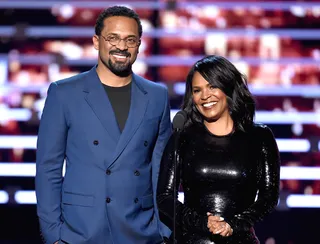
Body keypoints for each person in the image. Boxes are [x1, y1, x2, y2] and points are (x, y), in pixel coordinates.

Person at [35, 6, 171, 244]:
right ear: (97, 41)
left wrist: (164, 230)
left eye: (130, 40)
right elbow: (48, 169)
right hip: (81, 231)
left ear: (139, 45)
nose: (121, 46)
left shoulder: (157, 95)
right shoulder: (64, 93)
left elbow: (161, 169)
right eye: (113, 38)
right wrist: (53, 235)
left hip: (142, 232)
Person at [157, 55, 280, 244]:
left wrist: (234, 225)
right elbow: (165, 197)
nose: (205, 96)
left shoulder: (260, 137)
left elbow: (268, 197)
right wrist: (203, 223)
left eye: (212, 86)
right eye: (197, 90)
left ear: (228, 87)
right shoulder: (182, 137)